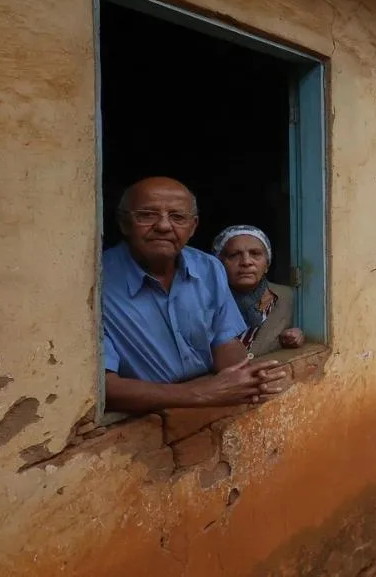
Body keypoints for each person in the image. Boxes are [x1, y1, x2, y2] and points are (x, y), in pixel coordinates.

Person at [102, 177, 287, 414]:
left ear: (193, 226)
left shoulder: (208, 267)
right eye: (147, 215)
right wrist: (202, 393)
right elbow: (102, 388)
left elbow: (224, 341)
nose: (164, 226)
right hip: (139, 426)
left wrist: (244, 376)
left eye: (178, 217)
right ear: (124, 223)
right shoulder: (96, 285)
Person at [211, 225, 305, 356]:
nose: (246, 262)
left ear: (267, 264)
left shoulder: (286, 297)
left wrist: (295, 336)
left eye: (255, 254)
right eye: (234, 255)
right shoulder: (207, 300)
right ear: (219, 263)